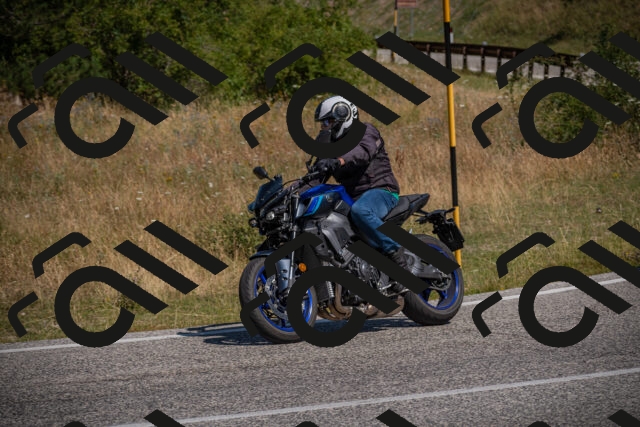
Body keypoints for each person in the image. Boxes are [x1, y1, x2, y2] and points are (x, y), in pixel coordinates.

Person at [309, 95, 409, 294]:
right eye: (323, 123)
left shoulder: (366, 132)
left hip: (381, 191)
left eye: (329, 121)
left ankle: (397, 256)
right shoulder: (329, 143)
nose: (325, 127)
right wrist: (288, 193)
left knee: (361, 211)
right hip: (351, 197)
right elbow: (315, 177)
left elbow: (363, 152)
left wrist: (338, 161)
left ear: (344, 116)